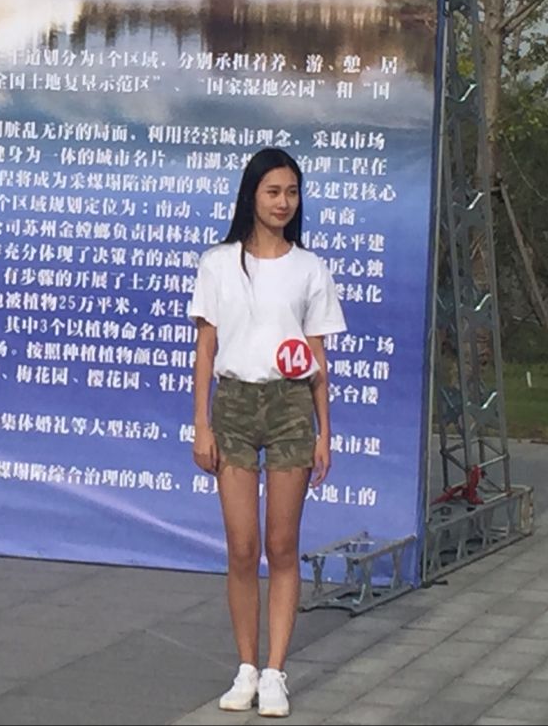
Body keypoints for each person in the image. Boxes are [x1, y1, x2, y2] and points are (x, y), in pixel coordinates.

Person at [187, 147, 346, 718]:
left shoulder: (310, 268)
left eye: (292, 193)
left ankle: (276, 671)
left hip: (289, 406)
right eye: (273, 191)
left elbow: (318, 358)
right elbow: (206, 348)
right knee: (242, 547)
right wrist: (201, 423)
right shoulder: (217, 263)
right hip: (233, 404)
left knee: (281, 545)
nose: (283, 203)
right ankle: (246, 667)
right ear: (251, 194)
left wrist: (324, 433)